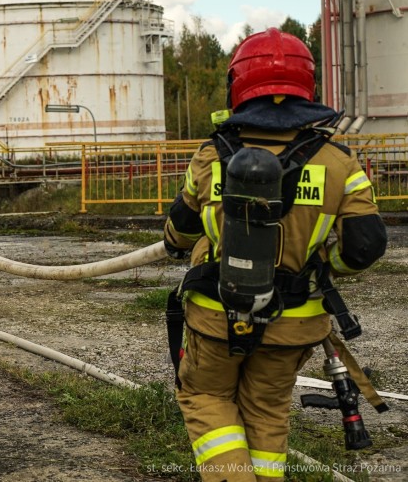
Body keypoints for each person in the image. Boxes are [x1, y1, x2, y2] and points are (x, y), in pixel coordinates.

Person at [163, 28, 387, 481]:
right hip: (295, 320)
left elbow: (180, 232)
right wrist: (325, 267)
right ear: (308, 86)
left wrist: (174, 241)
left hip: (217, 314)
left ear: (238, 86)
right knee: (267, 409)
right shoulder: (339, 161)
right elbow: (365, 245)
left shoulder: (211, 155)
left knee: (207, 398)